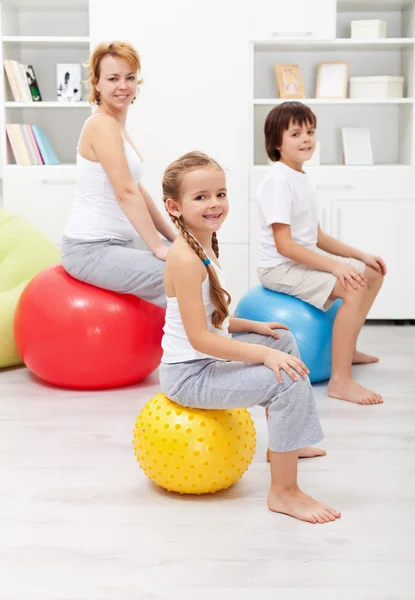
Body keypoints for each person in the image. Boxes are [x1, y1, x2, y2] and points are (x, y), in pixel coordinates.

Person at [159, 151, 341, 524]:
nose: (214, 204)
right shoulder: (185, 258)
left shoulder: (204, 244)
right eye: (201, 197)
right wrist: (262, 357)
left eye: (220, 194)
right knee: (288, 379)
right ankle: (284, 492)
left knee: (284, 344)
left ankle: (284, 444)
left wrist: (255, 329)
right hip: (190, 376)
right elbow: (199, 339)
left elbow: (212, 322)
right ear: (174, 207)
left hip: (207, 362)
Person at [257, 102, 387, 406]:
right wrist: (337, 267)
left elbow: (316, 237)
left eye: (310, 132)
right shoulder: (277, 180)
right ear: (277, 143)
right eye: (296, 133)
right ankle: (340, 382)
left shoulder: (300, 177)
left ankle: (348, 349)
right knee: (353, 287)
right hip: (279, 268)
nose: (306, 138)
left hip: (298, 261)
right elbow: (284, 246)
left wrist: (361, 256)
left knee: (372, 274)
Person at [61, 41, 176, 308]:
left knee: (189, 258)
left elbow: (136, 188)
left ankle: (205, 337)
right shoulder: (101, 125)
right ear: (97, 83)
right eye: (113, 78)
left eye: (130, 78)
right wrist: (158, 248)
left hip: (118, 242)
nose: (122, 86)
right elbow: (125, 193)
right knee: (177, 271)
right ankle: (200, 343)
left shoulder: (116, 125)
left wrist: (170, 236)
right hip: (89, 249)